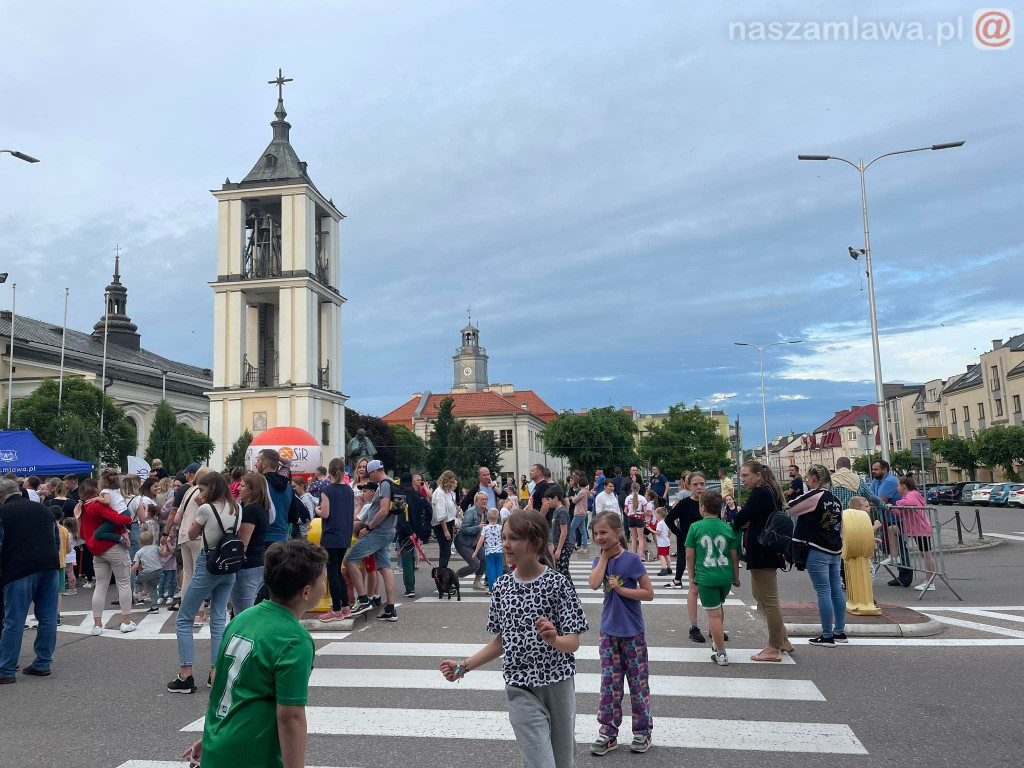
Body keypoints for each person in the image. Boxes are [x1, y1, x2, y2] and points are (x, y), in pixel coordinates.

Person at [440, 510, 588, 768]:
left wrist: (554, 639)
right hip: (520, 686)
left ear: (535, 542)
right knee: (539, 762)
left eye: (514, 538)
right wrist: (463, 666)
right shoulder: (502, 587)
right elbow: (501, 641)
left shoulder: (558, 584)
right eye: (505, 537)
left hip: (558, 684)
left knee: (563, 761)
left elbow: (573, 642)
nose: (505, 544)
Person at [181, 539, 327, 768]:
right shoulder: (293, 640)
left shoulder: (241, 620)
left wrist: (211, 739)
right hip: (253, 756)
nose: (325, 585)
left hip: (218, 745)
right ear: (306, 592)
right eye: (324, 580)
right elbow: (291, 717)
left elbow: (220, 685)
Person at [587, 510, 654, 755]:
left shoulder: (632, 560)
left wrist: (623, 590)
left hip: (632, 632)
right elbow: (594, 584)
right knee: (610, 684)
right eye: (596, 534)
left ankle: (642, 732)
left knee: (637, 683)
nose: (599, 537)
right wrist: (604, 557)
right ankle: (608, 732)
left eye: (604, 532)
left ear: (617, 532)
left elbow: (649, 593)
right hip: (608, 632)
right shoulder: (600, 561)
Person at [168, 471, 240, 694]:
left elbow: (190, 534)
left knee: (184, 618)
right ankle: (215, 673)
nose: (199, 493)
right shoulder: (236, 508)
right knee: (218, 619)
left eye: (202, 489)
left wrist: (199, 508)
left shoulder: (205, 509)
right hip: (229, 565)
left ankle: (186, 675)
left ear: (212, 488)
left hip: (207, 563)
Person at [0, 478, 61, 683]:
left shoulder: (3, 514)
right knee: (48, 617)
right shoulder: (44, 510)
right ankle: (43, 663)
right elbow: (56, 541)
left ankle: (6, 669)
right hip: (49, 566)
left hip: (19, 569)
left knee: (13, 620)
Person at [732, 460, 793, 662]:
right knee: (761, 597)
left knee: (769, 600)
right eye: (741, 475)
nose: (743, 479)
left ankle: (774, 647)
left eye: (746, 475)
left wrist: (742, 519)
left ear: (759, 476)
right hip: (766, 551)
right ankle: (782, 640)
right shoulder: (770, 491)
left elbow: (739, 519)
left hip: (762, 551)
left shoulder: (761, 493)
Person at [786, 465, 846, 647]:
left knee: (823, 590)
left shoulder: (814, 495)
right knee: (836, 589)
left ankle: (827, 635)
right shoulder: (836, 499)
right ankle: (840, 631)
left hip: (817, 548)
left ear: (813, 478)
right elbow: (840, 526)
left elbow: (790, 508)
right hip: (835, 549)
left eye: (807, 477)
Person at [685, 489, 740, 665]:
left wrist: (692, 575)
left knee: (713, 615)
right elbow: (734, 556)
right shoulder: (727, 527)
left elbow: (689, 556)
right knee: (719, 608)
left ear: (702, 508)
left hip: (706, 576)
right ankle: (717, 644)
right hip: (725, 575)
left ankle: (721, 653)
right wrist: (736, 577)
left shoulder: (695, 527)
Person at [78, 478, 136, 635]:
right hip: (113, 547)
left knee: (100, 586)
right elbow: (122, 518)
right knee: (124, 583)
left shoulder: (83, 507)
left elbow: (82, 532)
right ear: (96, 488)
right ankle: (126, 622)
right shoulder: (98, 504)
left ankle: (97, 625)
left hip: (96, 551)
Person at [342, 460, 399, 622]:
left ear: (375, 471)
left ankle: (363, 599)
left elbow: (383, 510)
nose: (368, 476)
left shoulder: (385, 485)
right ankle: (390, 609)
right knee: (385, 568)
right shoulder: (389, 483)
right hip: (387, 531)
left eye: (369, 473)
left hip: (378, 531)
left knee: (350, 560)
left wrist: (368, 528)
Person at [665, 472, 705, 642]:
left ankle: (716, 626)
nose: (699, 487)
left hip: (706, 549)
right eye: (695, 484)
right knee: (694, 586)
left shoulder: (709, 502)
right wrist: (680, 535)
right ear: (690, 486)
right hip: (688, 547)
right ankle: (694, 626)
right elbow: (668, 519)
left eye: (702, 484)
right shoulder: (684, 503)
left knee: (710, 588)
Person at [171, 467, 214, 621]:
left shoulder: (188, 491)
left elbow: (176, 518)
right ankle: (199, 612)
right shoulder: (206, 492)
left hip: (184, 535)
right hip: (198, 536)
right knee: (199, 575)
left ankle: (186, 610)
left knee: (188, 575)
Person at [316, 458, 354, 621]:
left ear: (330, 472)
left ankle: (337, 609)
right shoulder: (349, 490)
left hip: (331, 535)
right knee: (337, 571)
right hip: (345, 534)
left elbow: (325, 513)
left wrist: (316, 510)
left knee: (333, 573)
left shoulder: (327, 490)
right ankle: (345, 606)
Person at [231, 472, 271, 614]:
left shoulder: (249, 511)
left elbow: (243, 543)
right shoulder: (262, 509)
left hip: (247, 566)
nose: (239, 488)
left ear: (252, 489)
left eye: (242, 486)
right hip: (258, 562)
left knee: (242, 613)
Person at [870, 459, 912, 588]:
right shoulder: (877, 481)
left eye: (876, 469)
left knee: (900, 546)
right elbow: (869, 495)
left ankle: (905, 576)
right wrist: (870, 500)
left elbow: (881, 500)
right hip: (886, 519)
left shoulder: (889, 481)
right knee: (885, 544)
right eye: (873, 469)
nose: (873, 471)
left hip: (897, 519)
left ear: (885, 470)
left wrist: (869, 502)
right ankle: (901, 571)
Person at [893, 475, 935, 592]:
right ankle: (894, 556)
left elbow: (907, 503)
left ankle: (930, 581)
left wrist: (896, 504)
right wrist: (894, 510)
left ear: (903, 486)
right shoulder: (911, 495)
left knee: (926, 554)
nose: (897, 487)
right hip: (916, 528)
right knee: (892, 529)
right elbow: (904, 511)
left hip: (921, 529)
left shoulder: (912, 495)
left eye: (898, 485)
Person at [398, 471, 432, 597]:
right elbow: (429, 509)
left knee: (406, 559)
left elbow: (400, 515)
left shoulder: (400, 496)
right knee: (412, 556)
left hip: (405, 531)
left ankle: (410, 587)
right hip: (417, 530)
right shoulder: (419, 495)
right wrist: (426, 526)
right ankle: (411, 584)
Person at [257, 449, 293, 544]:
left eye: (258, 461)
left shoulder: (259, 484)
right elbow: (293, 516)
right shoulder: (288, 487)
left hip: (262, 538)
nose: (256, 464)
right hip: (282, 538)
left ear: (264, 464)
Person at [456, 491, 488, 591]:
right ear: (476, 502)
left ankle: (477, 581)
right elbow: (463, 529)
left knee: (485, 559)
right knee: (475, 565)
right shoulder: (471, 512)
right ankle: (455, 576)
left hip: (477, 542)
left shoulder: (487, 512)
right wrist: (478, 527)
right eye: (481, 499)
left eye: (486, 499)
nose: (484, 501)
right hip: (464, 542)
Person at [431, 470, 459, 570]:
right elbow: (441, 513)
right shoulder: (440, 493)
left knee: (446, 552)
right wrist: (446, 530)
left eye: (453, 482)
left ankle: (442, 573)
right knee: (445, 552)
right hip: (442, 525)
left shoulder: (447, 492)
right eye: (450, 482)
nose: (452, 484)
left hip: (448, 523)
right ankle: (442, 574)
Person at [544, 486, 573, 580]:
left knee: (563, 571)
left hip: (565, 545)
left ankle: (569, 591)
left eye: (549, 499)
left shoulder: (562, 512)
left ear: (556, 498)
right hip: (559, 545)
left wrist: (559, 549)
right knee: (560, 570)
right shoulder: (556, 511)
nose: (547, 502)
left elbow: (564, 531)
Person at [131, 531, 164, 613]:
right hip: (159, 570)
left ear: (140, 541)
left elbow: (136, 565)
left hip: (148, 572)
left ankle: (140, 598)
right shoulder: (155, 547)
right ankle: (155, 607)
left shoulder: (139, 552)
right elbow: (163, 554)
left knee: (137, 581)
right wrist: (165, 545)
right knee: (152, 588)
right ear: (152, 540)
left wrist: (129, 572)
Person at [473, 508, 504, 593]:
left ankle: (491, 588)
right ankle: (500, 588)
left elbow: (481, 541)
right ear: (498, 517)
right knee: (499, 570)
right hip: (499, 551)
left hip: (489, 552)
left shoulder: (485, 528)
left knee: (490, 570)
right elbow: (504, 538)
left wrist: (476, 552)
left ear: (487, 517)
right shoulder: (501, 528)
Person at [623, 483, 650, 560]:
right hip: (639, 517)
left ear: (631, 488)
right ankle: (641, 556)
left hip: (631, 518)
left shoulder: (628, 498)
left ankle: (633, 555)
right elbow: (645, 511)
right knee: (640, 538)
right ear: (639, 489)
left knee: (633, 538)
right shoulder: (642, 498)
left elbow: (625, 510)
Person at [568, 472, 590, 550]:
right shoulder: (586, 491)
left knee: (571, 529)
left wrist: (571, 498)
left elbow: (574, 501)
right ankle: (584, 546)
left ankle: (572, 544)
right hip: (583, 512)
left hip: (578, 513)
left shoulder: (581, 492)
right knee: (583, 530)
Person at [290, 476, 315, 540]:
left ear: (301, 486)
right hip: (300, 531)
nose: (293, 489)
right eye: (291, 487)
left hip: (304, 533)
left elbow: (310, 516)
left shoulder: (306, 499)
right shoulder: (299, 497)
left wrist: (294, 520)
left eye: (294, 487)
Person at [60, 516, 79, 596]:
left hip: (67, 556)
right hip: (71, 556)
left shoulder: (67, 534)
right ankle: (72, 586)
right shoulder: (74, 534)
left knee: (69, 573)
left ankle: (72, 588)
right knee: (70, 572)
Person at [651, 507, 672, 576]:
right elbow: (669, 532)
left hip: (661, 542)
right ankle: (669, 568)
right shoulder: (667, 522)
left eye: (656, 514)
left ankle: (664, 569)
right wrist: (668, 537)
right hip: (666, 541)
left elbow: (658, 533)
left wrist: (650, 530)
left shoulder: (660, 523)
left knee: (661, 555)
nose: (655, 516)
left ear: (659, 515)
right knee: (667, 555)